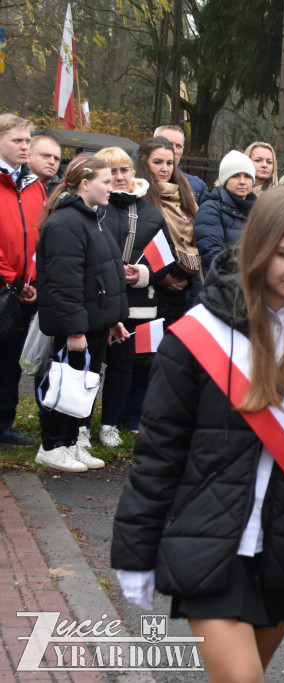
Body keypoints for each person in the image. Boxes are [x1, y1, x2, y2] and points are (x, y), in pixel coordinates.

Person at [110, 187, 284, 682]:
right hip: (210, 545)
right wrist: (134, 552)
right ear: (256, 248)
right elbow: (159, 454)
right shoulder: (199, 335)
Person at [34, 156, 128, 472]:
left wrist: (113, 316)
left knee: (83, 384)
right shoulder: (65, 223)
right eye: (105, 181)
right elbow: (64, 282)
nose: (112, 187)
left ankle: (72, 442)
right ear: (84, 184)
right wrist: (75, 331)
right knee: (65, 383)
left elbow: (103, 272)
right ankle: (51, 446)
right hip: (76, 324)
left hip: (95, 321)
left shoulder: (93, 218)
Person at [93, 146, 175, 447]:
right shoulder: (90, 206)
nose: (118, 176)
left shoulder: (150, 212)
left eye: (124, 170)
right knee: (88, 365)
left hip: (137, 305)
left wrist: (141, 275)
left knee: (128, 364)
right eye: (111, 170)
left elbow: (164, 257)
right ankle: (78, 425)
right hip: (95, 302)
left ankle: (113, 424)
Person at [0, 114, 46, 446]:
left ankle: (4, 423)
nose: (24, 146)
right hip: (5, 284)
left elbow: (39, 235)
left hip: (24, 289)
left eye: (28, 140)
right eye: (17, 140)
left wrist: (32, 280)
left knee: (10, 361)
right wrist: (10, 279)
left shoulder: (33, 183)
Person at [134, 136, 200, 322]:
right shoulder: (137, 196)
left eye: (170, 163)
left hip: (182, 287)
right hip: (147, 293)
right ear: (144, 163)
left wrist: (187, 277)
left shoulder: (184, 193)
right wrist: (161, 276)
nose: (165, 169)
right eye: (158, 162)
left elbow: (197, 235)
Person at [195, 150, 258, 275]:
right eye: (235, 176)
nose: (242, 182)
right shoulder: (210, 209)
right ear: (225, 179)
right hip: (224, 287)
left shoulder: (259, 210)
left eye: (247, 176)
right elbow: (213, 256)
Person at [154, 125, 208, 204]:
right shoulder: (136, 183)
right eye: (168, 145)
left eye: (178, 146)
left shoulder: (197, 186)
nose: (174, 151)